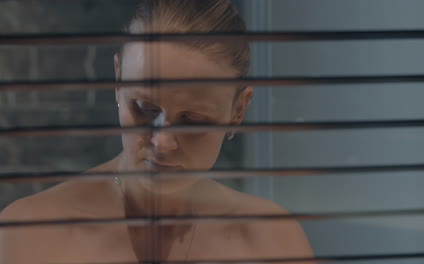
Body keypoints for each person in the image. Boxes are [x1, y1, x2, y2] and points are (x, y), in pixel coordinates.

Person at [0, 0, 314, 263]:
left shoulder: (272, 241)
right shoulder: (31, 236)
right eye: (145, 109)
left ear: (238, 111)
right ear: (118, 81)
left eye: (193, 120)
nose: (162, 142)